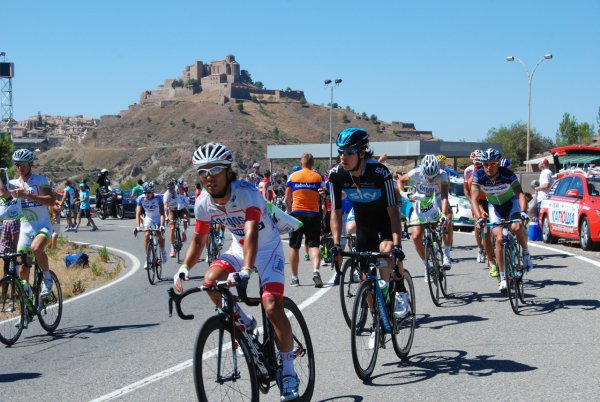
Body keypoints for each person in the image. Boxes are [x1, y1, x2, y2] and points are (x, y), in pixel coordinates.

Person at [173, 142, 300, 401]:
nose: (209, 177)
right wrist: (184, 267)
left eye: (215, 170)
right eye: (202, 171)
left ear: (228, 171)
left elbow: (252, 231)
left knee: (272, 305)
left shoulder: (247, 193)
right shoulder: (202, 203)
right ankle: (243, 322)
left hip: (266, 249)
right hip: (239, 248)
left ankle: (288, 371)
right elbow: (198, 240)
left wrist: (245, 271)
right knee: (210, 281)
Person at [329, 128, 409, 319]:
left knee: (387, 251)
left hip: (385, 220)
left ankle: (400, 289)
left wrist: (397, 245)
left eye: (349, 152)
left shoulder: (380, 172)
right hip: (363, 222)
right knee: (364, 276)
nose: (343, 157)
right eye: (340, 151)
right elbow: (336, 211)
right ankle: (376, 318)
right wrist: (336, 244)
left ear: (362, 152)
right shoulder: (336, 175)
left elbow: (393, 211)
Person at [471, 148, 533, 292]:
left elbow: (520, 195)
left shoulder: (507, 174)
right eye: (485, 164)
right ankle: (503, 277)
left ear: (497, 163)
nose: (488, 167)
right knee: (499, 239)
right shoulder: (479, 175)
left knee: (517, 228)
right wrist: (479, 217)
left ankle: (525, 253)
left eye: (492, 164)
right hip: (494, 206)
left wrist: (523, 212)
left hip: (511, 203)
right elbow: (474, 199)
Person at [9, 149, 56, 297]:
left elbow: (51, 200)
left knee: (36, 248)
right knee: (22, 270)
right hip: (25, 229)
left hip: (42, 226)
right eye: (17, 165)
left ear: (30, 164)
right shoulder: (12, 184)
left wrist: (28, 195)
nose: (19, 168)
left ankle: (47, 279)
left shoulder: (40, 180)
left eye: (22, 164)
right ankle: (29, 305)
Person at [398, 154, 454, 279]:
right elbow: (400, 180)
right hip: (421, 202)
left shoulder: (443, 175)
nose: (430, 179)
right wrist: (403, 194)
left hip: (437, 200)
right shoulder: (415, 172)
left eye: (433, 176)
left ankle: (446, 254)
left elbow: (445, 196)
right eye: (427, 176)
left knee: (448, 220)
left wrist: (444, 215)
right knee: (416, 236)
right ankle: (427, 266)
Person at [285, 153, 324, 287]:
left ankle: (295, 278)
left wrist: (290, 211)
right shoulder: (318, 177)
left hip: (296, 213)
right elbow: (323, 194)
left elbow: (286, 198)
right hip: (313, 214)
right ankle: (316, 271)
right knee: (314, 246)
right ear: (312, 164)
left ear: (301, 163)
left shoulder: (293, 176)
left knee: (294, 247)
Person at [134, 182, 167, 264]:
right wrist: (138, 226)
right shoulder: (140, 198)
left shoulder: (158, 197)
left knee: (159, 234)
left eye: (148, 192)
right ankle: (147, 258)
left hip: (157, 217)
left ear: (152, 191)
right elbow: (138, 213)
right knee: (146, 235)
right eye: (144, 192)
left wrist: (162, 225)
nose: (146, 194)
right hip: (148, 218)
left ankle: (163, 251)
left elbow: (162, 213)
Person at [464, 150, 487, 263]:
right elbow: (465, 189)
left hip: (488, 198)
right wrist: (471, 201)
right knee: (478, 224)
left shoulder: (487, 169)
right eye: (476, 164)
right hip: (476, 199)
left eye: (480, 164)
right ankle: (480, 249)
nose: (478, 166)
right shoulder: (468, 171)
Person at [164, 180, 187, 257]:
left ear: (174, 187)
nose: (171, 190)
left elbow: (183, 193)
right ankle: (172, 248)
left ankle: (184, 232)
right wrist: (167, 217)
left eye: (172, 188)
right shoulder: (166, 195)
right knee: (172, 227)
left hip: (180, 209)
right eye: (169, 189)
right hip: (172, 211)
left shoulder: (177, 189)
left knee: (185, 218)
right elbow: (166, 207)